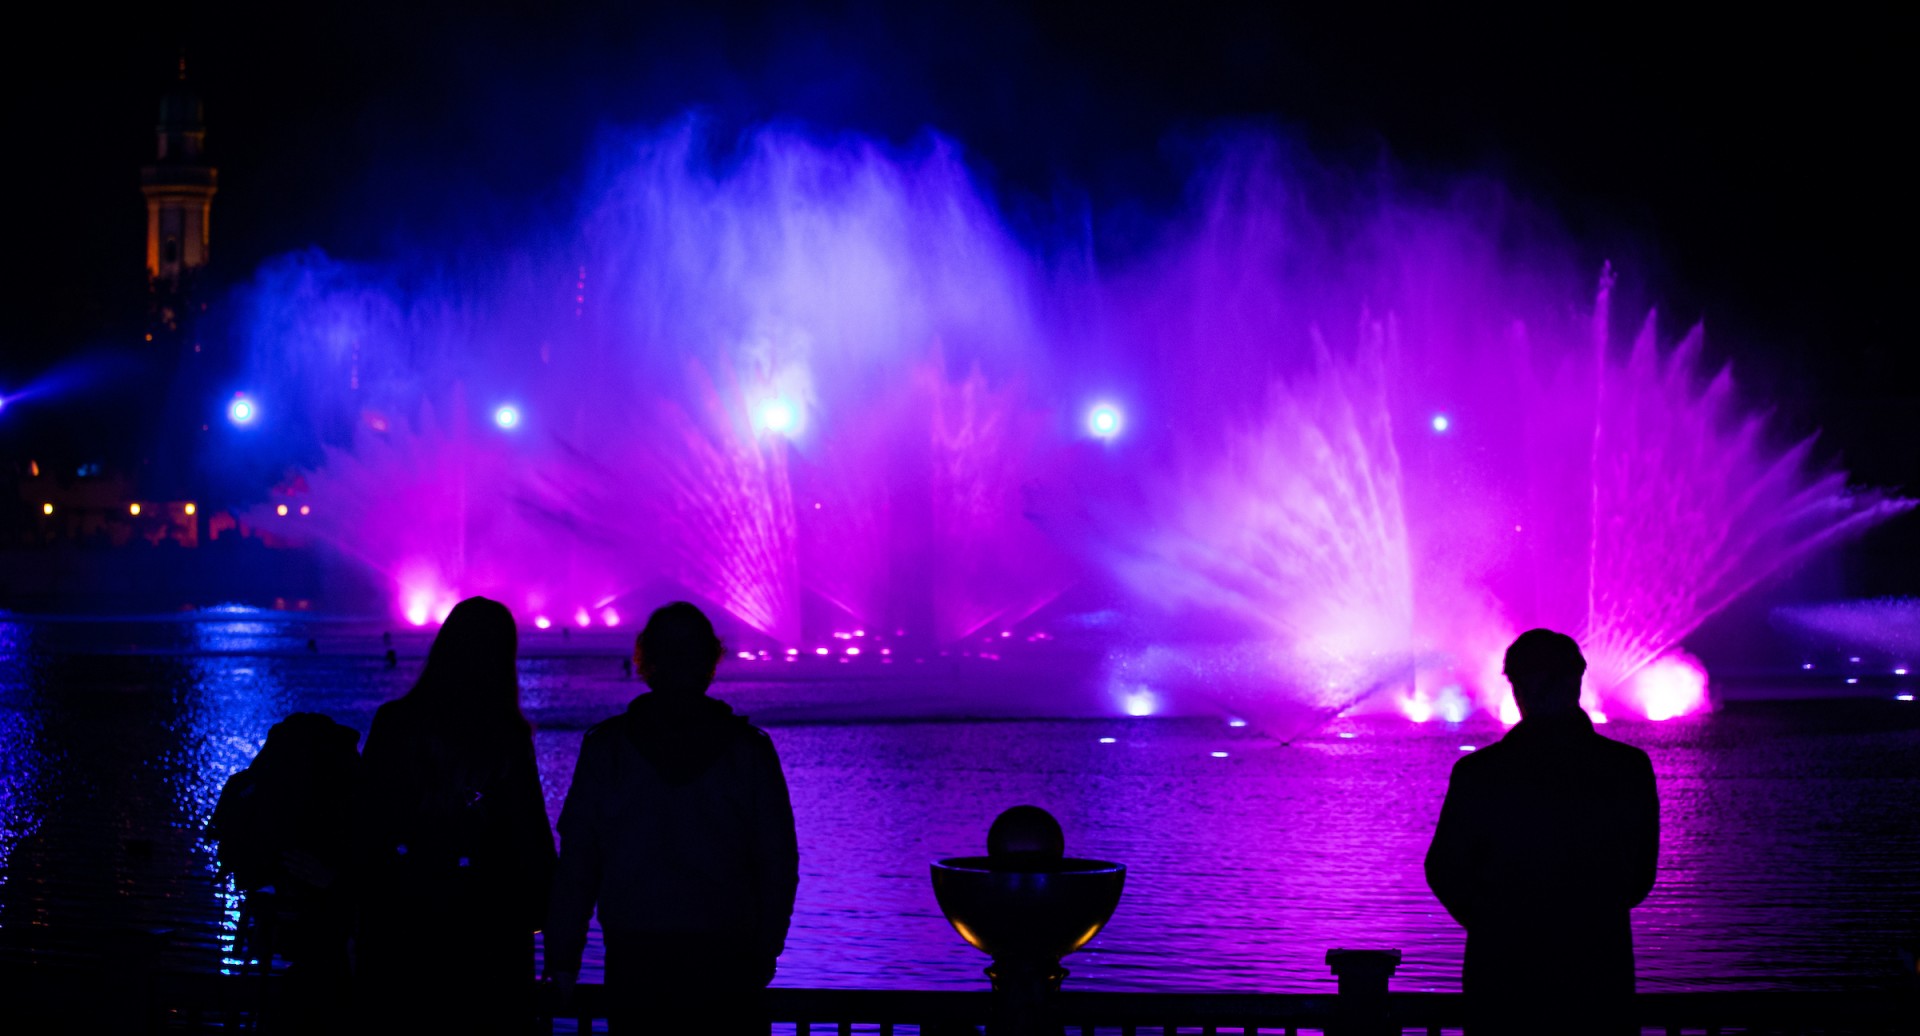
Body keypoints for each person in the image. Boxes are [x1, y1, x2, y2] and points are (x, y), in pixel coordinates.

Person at [546, 601, 799, 1034]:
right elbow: (779, 863)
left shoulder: (607, 749)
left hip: (636, 959)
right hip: (728, 961)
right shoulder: (748, 752)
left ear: (645, 660)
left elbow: (578, 866)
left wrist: (564, 959)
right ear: (710, 663)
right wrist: (764, 952)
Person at [1425, 629, 1659, 1035]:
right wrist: (1589, 914)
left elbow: (1443, 869)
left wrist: (1495, 925)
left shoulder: (1479, 774)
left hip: (1501, 988)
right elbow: (1640, 877)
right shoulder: (1628, 769)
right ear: (1577, 681)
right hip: (1599, 983)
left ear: (1516, 689)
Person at [356, 596, 555, 1034]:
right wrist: (552, 916)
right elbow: (529, 834)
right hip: (489, 931)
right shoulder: (506, 736)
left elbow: (366, 822)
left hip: (402, 925)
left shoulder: (394, 722)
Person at [211, 711, 360, 1032]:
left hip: (294, 914)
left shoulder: (259, 785)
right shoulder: (341, 790)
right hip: (322, 927)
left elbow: (237, 858)